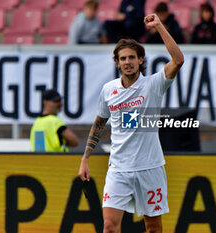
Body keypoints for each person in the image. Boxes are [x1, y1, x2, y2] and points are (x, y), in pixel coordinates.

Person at [78, 13, 184, 233]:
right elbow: (99, 124)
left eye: (132, 57)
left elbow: (178, 60)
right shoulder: (109, 90)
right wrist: (85, 158)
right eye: (123, 58)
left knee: (153, 228)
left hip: (150, 168)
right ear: (117, 62)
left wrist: (159, 27)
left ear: (141, 60)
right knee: (108, 227)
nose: (128, 62)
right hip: (119, 169)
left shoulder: (154, 85)